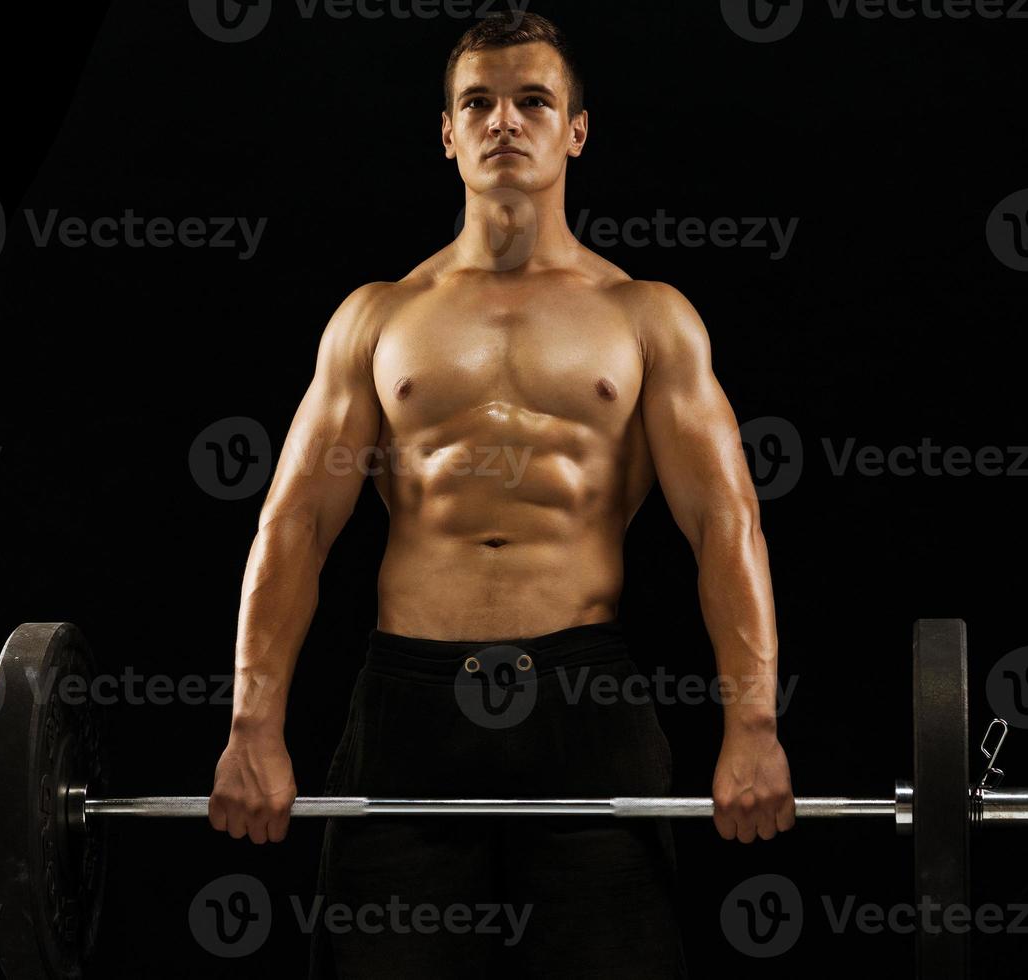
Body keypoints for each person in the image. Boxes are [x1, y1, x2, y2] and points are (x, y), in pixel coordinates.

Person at [208, 12, 794, 977]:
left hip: (584, 699)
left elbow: (724, 524)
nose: (503, 122)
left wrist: (754, 725)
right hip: (409, 703)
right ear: (446, 131)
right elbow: (296, 525)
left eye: (533, 102)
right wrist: (252, 726)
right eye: (477, 102)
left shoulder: (645, 317)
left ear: (576, 130)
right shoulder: (377, 317)